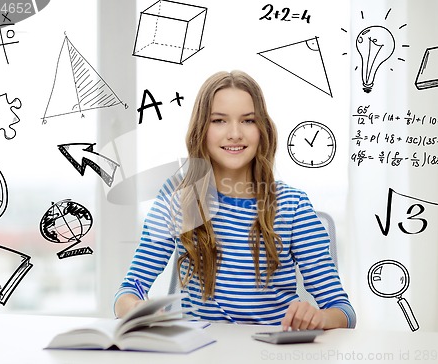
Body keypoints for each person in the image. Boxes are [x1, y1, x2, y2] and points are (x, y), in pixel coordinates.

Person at [114, 70, 356, 330]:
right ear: (201, 130)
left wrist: (318, 318)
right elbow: (128, 291)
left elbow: (343, 311)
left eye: (248, 121)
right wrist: (135, 308)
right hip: (204, 352)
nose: (234, 133)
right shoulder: (178, 199)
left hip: (272, 354)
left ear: (262, 130)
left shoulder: (292, 205)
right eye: (219, 120)